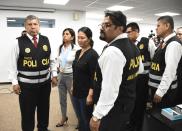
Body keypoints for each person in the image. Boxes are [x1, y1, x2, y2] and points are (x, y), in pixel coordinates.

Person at [90, 10, 143, 131]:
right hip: (126, 104)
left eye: (107, 25)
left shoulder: (113, 51)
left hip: (112, 110)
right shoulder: (133, 45)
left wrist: (96, 116)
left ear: (120, 28)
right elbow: (139, 69)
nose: (102, 28)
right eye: (102, 25)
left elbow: (110, 90)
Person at [8, 15, 57, 131]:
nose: (33, 27)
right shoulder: (17, 42)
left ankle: (43, 128)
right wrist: (14, 82)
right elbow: (12, 65)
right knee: (27, 113)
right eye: (29, 24)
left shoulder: (46, 40)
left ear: (39, 26)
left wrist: (54, 75)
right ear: (25, 26)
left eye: (35, 24)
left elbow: (52, 60)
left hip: (44, 85)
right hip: (26, 86)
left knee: (44, 110)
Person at [126, 22, 156, 131]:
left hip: (143, 80)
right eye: (126, 32)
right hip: (131, 79)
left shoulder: (147, 42)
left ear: (136, 32)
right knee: (131, 103)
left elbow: (154, 59)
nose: (127, 34)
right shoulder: (127, 44)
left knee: (140, 104)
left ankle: (138, 126)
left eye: (129, 32)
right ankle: (130, 124)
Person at [148, 16, 182, 109]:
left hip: (166, 92)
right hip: (158, 88)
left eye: (158, 25)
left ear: (167, 26)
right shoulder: (165, 42)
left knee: (161, 119)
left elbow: (170, 71)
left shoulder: (173, 44)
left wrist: (160, 92)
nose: (156, 28)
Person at [72, 27, 99, 131]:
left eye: (82, 38)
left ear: (89, 39)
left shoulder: (93, 55)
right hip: (76, 91)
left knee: (86, 120)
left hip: (86, 94)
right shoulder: (78, 52)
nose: (79, 40)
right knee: (80, 119)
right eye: (78, 37)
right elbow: (75, 71)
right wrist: (73, 86)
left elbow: (94, 77)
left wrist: (90, 95)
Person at [56, 28, 79, 128]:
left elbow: (78, 65)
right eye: (63, 34)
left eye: (67, 34)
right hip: (61, 75)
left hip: (71, 76)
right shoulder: (61, 47)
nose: (64, 35)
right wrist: (57, 70)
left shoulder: (76, 49)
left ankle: (80, 119)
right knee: (62, 99)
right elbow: (58, 60)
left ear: (72, 37)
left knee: (73, 99)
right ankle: (63, 117)